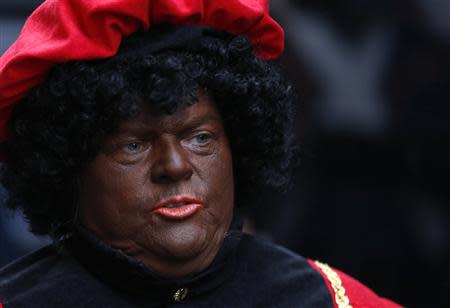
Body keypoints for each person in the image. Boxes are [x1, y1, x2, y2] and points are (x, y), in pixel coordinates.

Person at [0, 0, 401, 307]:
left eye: (201, 138)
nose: (175, 166)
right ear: (67, 166)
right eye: (133, 145)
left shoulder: (332, 300)